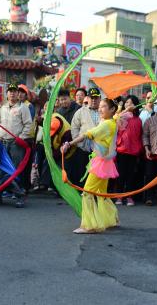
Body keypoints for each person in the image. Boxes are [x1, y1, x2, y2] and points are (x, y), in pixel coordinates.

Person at [61, 98, 119, 234]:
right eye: (100, 106)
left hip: (101, 163)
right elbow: (115, 116)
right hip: (103, 161)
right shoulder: (110, 121)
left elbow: (87, 134)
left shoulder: (106, 125)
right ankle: (110, 219)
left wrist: (69, 144)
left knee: (87, 193)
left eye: (104, 106)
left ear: (112, 110)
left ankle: (90, 225)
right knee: (101, 193)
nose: (100, 108)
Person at [0, 82, 32, 199]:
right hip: (3, 141)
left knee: (16, 168)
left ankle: (18, 192)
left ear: (18, 94)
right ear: (7, 94)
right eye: (10, 91)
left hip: (16, 143)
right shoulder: (2, 107)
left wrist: (20, 137)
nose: (12, 93)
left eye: (14, 91)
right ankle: (7, 190)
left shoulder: (23, 107)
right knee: (3, 167)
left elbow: (28, 125)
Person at [114, 95, 143, 206]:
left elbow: (140, 135)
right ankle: (119, 196)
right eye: (126, 103)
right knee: (121, 174)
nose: (128, 105)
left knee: (131, 175)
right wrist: (125, 110)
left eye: (131, 103)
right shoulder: (121, 116)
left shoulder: (138, 120)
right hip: (122, 150)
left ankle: (130, 196)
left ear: (136, 105)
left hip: (134, 151)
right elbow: (115, 119)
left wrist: (140, 148)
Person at [71, 88, 101, 187]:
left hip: (100, 148)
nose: (94, 100)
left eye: (96, 98)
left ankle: (95, 192)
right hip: (84, 147)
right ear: (87, 98)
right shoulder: (81, 111)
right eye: (91, 98)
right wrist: (77, 141)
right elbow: (74, 127)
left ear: (100, 98)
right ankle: (83, 192)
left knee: (97, 172)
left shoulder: (104, 110)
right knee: (83, 170)